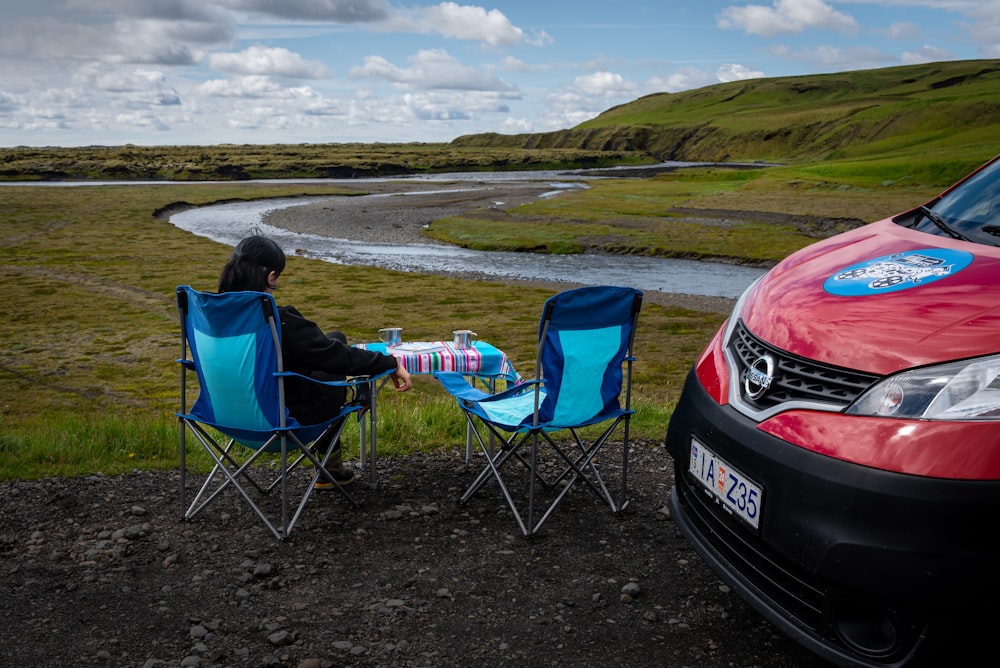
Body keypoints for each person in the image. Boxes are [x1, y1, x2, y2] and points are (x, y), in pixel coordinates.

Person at [218, 235, 412, 487]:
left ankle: (332, 466)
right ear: (271, 276)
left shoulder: (215, 315)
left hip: (227, 415)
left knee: (336, 339)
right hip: (281, 418)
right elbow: (334, 357)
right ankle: (330, 466)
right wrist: (389, 363)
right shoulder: (276, 319)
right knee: (334, 367)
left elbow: (325, 348)